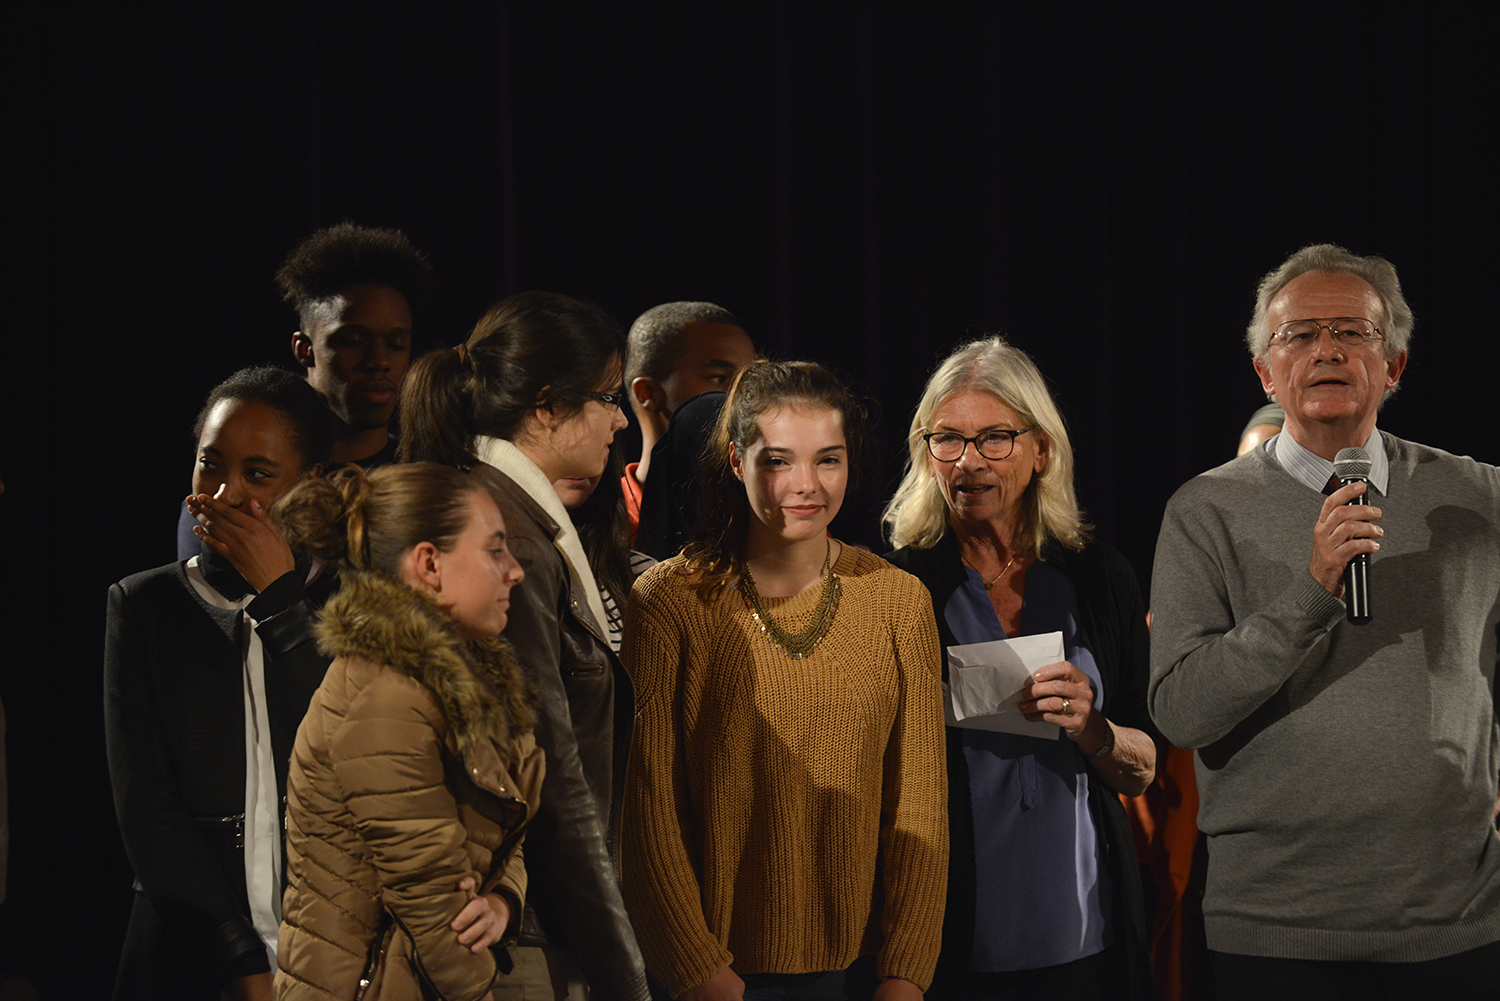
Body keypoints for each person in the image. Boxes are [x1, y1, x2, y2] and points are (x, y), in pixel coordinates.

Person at [1149, 243, 1500, 1000]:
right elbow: (1180, 710)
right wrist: (1312, 592)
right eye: (1300, 335)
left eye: (1352, 331)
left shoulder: (1480, 498)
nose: (1327, 350)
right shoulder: (1204, 511)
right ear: (1266, 374)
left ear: (1394, 365)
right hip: (1277, 925)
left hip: (1457, 920)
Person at [621, 360, 949, 1001]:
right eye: (777, 461)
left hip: (862, 975)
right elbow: (647, 811)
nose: (806, 485)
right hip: (717, 975)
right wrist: (699, 972)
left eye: (828, 460)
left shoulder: (898, 601)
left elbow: (919, 805)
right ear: (736, 461)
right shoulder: (669, 601)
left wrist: (906, 974)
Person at [883, 337, 1159, 1001]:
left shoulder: (1099, 577)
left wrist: (1091, 726)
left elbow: (1145, 766)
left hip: (1087, 942)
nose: (969, 460)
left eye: (995, 438)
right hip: (949, 946)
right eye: (948, 439)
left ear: (1042, 451)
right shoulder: (896, 587)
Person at [400, 291, 650, 1001]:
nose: (620, 420)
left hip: (543, 921)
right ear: (546, 407)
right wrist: (625, 974)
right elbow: (554, 776)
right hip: (529, 933)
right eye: (608, 398)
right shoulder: (511, 542)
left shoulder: (524, 520)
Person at [105, 367, 335, 1000]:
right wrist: (238, 956)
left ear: (310, 483)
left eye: (258, 474)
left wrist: (282, 603)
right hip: (187, 956)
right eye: (210, 465)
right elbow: (146, 807)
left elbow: (352, 757)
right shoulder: (144, 604)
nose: (226, 494)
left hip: (328, 953)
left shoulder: (347, 601)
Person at [273, 463, 541, 1000]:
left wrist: (502, 902)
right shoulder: (385, 696)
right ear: (429, 564)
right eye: (494, 551)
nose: (514, 571)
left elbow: (499, 827)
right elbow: (432, 902)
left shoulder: (457, 681)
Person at [175, 222, 432, 559]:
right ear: (304, 349)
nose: (379, 361)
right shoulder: (238, 490)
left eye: (396, 344)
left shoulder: (428, 476)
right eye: (354, 341)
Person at [625, 302, 756, 537]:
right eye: (719, 378)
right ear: (648, 394)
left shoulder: (776, 514)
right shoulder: (600, 525)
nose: (744, 395)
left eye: (749, 380)